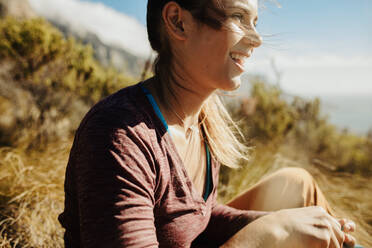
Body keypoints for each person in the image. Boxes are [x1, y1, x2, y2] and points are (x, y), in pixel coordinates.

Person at [58, 0, 358, 247]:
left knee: (296, 185)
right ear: (178, 21)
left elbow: (196, 218)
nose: (256, 39)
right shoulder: (119, 134)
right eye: (239, 17)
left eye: (255, 22)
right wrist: (270, 233)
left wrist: (287, 224)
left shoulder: (201, 119)